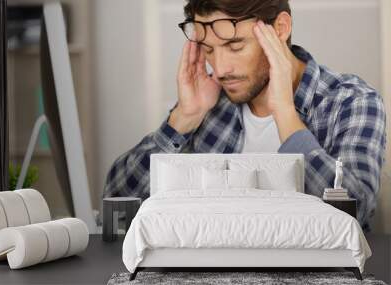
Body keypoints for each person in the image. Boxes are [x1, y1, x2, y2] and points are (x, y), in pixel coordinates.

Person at [103, 0, 386, 231]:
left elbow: (355, 215)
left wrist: (285, 115)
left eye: (236, 46)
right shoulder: (210, 106)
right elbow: (115, 211)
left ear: (281, 28)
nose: (221, 68)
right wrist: (183, 118)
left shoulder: (352, 101)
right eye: (208, 50)